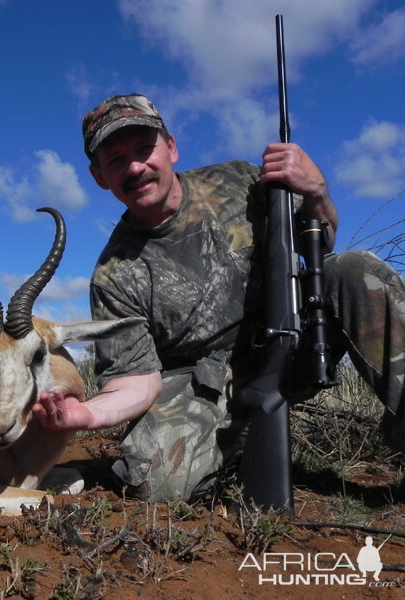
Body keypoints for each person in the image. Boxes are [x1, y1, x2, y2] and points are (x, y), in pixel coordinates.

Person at [32, 93, 405, 502]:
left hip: (294, 346)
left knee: (354, 271)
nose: (136, 167)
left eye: (144, 149)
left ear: (170, 147)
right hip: (201, 387)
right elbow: (135, 381)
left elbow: (321, 242)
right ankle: (232, 441)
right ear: (99, 176)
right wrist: (88, 415)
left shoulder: (241, 183)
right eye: (116, 160)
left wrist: (316, 192)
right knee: (155, 486)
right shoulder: (113, 276)